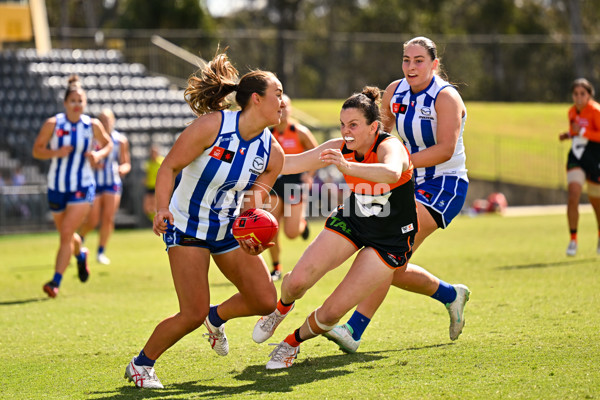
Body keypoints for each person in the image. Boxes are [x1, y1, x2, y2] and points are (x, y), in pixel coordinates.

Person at [123, 51, 285, 389]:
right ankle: (141, 365)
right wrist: (162, 209)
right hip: (185, 227)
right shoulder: (213, 126)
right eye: (278, 95)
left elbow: (252, 205)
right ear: (256, 99)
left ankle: (217, 317)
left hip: (226, 229)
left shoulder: (273, 153)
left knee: (265, 300)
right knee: (191, 313)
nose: (283, 103)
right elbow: (169, 166)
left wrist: (253, 230)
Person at [252, 86, 418, 369]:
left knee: (330, 314)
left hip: (390, 239)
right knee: (295, 282)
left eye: (353, 125)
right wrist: (249, 158)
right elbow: (290, 163)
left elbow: (391, 172)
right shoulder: (338, 147)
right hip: (353, 219)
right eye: (343, 125)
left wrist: (348, 167)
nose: (346, 132)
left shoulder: (389, 146)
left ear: (373, 127)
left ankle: (290, 344)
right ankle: (279, 311)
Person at [325, 36, 471, 353]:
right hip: (405, 182)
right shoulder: (394, 92)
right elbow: (382, 136)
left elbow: (446, 149)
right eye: (406, 59)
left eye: (419, 60)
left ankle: (353, 330)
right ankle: (450, 295)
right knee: (395, 265)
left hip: (442, 186)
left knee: (384, 255)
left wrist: (398, 166)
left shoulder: (446, 98)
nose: (411, 66)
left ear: (434, 64)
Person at [32, 75, 113, 298]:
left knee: (66, 233)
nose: (77, 104)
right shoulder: (53, 124)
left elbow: (108, 144)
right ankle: (80, 254)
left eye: (81, 100)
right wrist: (54, 152)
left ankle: (55, 282)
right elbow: (37, 150)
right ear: (65, 103)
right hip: (56, 187)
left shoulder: (92, 125)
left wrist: (97, 154)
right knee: (67, 235)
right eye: (73, 100)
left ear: (85, 103)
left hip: (83, 186)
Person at [268, 94, 319, 280]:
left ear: (290, 109)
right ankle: (276, 268)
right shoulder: (268, 133)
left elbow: (317, 154)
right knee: (270, 227)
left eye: (285, 106)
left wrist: (309, 175)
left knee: (290, 233)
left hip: (294, 184)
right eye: (279, 107)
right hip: (273, 183)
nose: (282, 110)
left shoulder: (299, 131)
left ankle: (301, 225)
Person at [79, 108, 131, 264]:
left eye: (108, 119)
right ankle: (79, 239)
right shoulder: (92, 139)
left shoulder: (120, 140)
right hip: (94, 183)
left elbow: (126, 163)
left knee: (108, 218)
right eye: (102, 119)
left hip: (112, 183)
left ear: (113, 121)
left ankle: (101, 251)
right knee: (93, 219)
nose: (105, 122)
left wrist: (123, 169)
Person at [559, 78, 600, 256]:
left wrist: (581, 131)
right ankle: (573, 240)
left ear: (589, 95)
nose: (578, 97)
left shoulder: (595, 111)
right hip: (577, 156)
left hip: (594, 157)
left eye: (582, 93)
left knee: (596, 202)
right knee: (573, 194)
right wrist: (568, 134)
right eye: (575, 94)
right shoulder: (571, 112)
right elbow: (577, 133)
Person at [142, 144, 164, 221]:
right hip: (149, 186)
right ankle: (154, 221)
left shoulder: (161, 161)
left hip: (157, 186)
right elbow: (146, 174)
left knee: (155, 206)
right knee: (147, 208)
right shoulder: (148, 163)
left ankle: (156, 222)